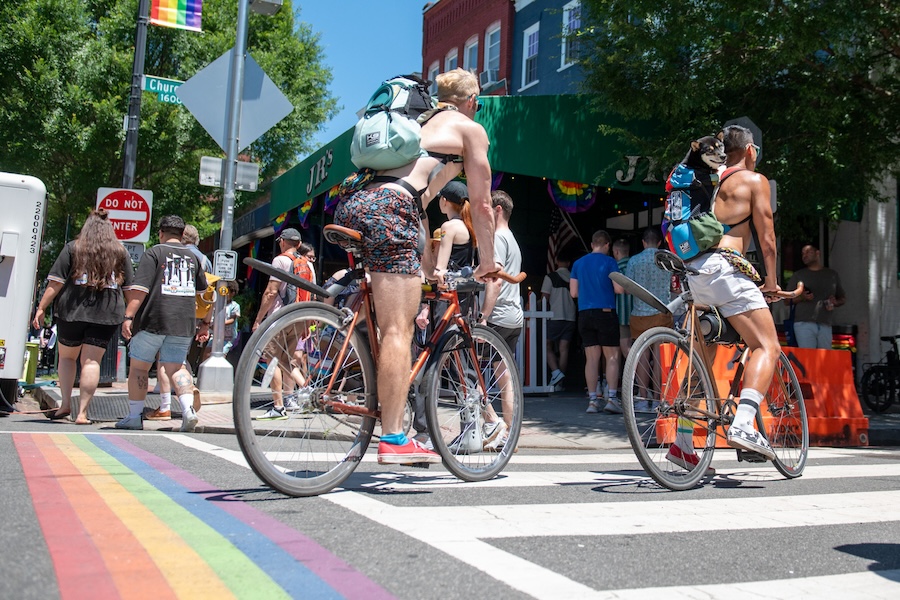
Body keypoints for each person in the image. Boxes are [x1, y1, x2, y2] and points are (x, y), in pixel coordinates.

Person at [334, 68, 496, 465]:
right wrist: (488, 262)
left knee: (386, 325)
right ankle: (393, 437)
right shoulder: (469, 130)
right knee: (397, 330)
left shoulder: (413, 126)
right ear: (472, 101)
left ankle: (379, 400)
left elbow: (418, 204)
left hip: (355, 201)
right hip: (390, 211)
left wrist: (426, 267)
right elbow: (483, 203)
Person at [678, 124, 781, 468]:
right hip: (726, 270)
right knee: (766, 346)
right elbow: (767, 237)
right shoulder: (754, 181)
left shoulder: (708, 179)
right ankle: (744, 424)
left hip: (696, 271)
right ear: (750, 151)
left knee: (701, 360)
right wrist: (771, 281)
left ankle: (681, 441)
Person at [32, 209, 133, 425]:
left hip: (72, 311)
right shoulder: (120, 252)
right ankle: (82, 413)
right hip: (105, 314)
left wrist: (41, 307)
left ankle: (66, 404)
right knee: (92, 361)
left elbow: (56, 282)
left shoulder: (73, 248)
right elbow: (130, 289)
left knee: (67, 358)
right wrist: (129, 317)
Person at [116, 215, 208, 432]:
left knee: (139, 367)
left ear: (161, 233)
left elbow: (140, 290)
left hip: (154, 320)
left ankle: (134, 416)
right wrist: (206, 322)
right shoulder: (193, 258)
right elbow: (203, 292)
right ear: (182, 233)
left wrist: (128, 317)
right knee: (177, 367)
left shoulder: (154, 253)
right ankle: (187, 411)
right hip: (183, 323)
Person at [477, 190, 524, 449]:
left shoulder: (497, 238)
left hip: (496, 316)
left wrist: (483, 316)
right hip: (514, 316)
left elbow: (494, 281)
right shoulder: (513, 239)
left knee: (473, 377)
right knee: (505, 376)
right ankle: (510, 435)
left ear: (497, 210)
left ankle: (493, 424)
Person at [252, 228, 304, 419]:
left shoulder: (280, 260)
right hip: (300, 318)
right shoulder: (308, 264)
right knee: (286, 361)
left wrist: (259, 319)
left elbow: (271, 292)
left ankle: (278, 406)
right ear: (298, 244)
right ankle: (307, 391)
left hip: (280, 317)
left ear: (282, 242)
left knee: (272, 360)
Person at [570, 230, 624, 414]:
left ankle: (593, 401)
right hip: (606, 312)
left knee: (591, 359)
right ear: (607, 245)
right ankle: (612, 398)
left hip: (584, 313)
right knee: (612, 357)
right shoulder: (610, 262)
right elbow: (618, 289)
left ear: (593, 244)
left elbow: (573, 293)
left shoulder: (578, 263)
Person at [625, 227, 673, 412]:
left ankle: (643, 399)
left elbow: (628, 288)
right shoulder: (667, 259)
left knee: (642, 356)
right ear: (659, 242)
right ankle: (660, 397)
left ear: (644, 242)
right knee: (660, 356)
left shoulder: (634, 260)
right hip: (662, 312)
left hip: (640, 314)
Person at [787, 244, 845, 349]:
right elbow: (787, 300)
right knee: (808, 357)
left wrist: (835, 302)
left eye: (808, 252)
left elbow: (842, 298)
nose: (805, 256)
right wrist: (802, 297)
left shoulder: (831, 275)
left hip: (825, 323)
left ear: (817, 253)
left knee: (825, 357)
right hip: (803, 322)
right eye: (803, 254)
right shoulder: (799, 275)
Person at [541, 250, 576, 390]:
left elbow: (545, 298)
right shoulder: (574, 277)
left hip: (555, 316)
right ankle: (559, 382)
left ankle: (556, 373)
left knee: (547, 346)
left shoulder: (550, 277)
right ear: (568, 263)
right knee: (564, 349)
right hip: (570, 317)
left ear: (556, 261)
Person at [613, 239, 633, 360]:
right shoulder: (635, 264)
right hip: (638, 313)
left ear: (616, 252)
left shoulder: (616, 269)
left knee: (625, 347)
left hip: (622, 315)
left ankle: (633, 375)